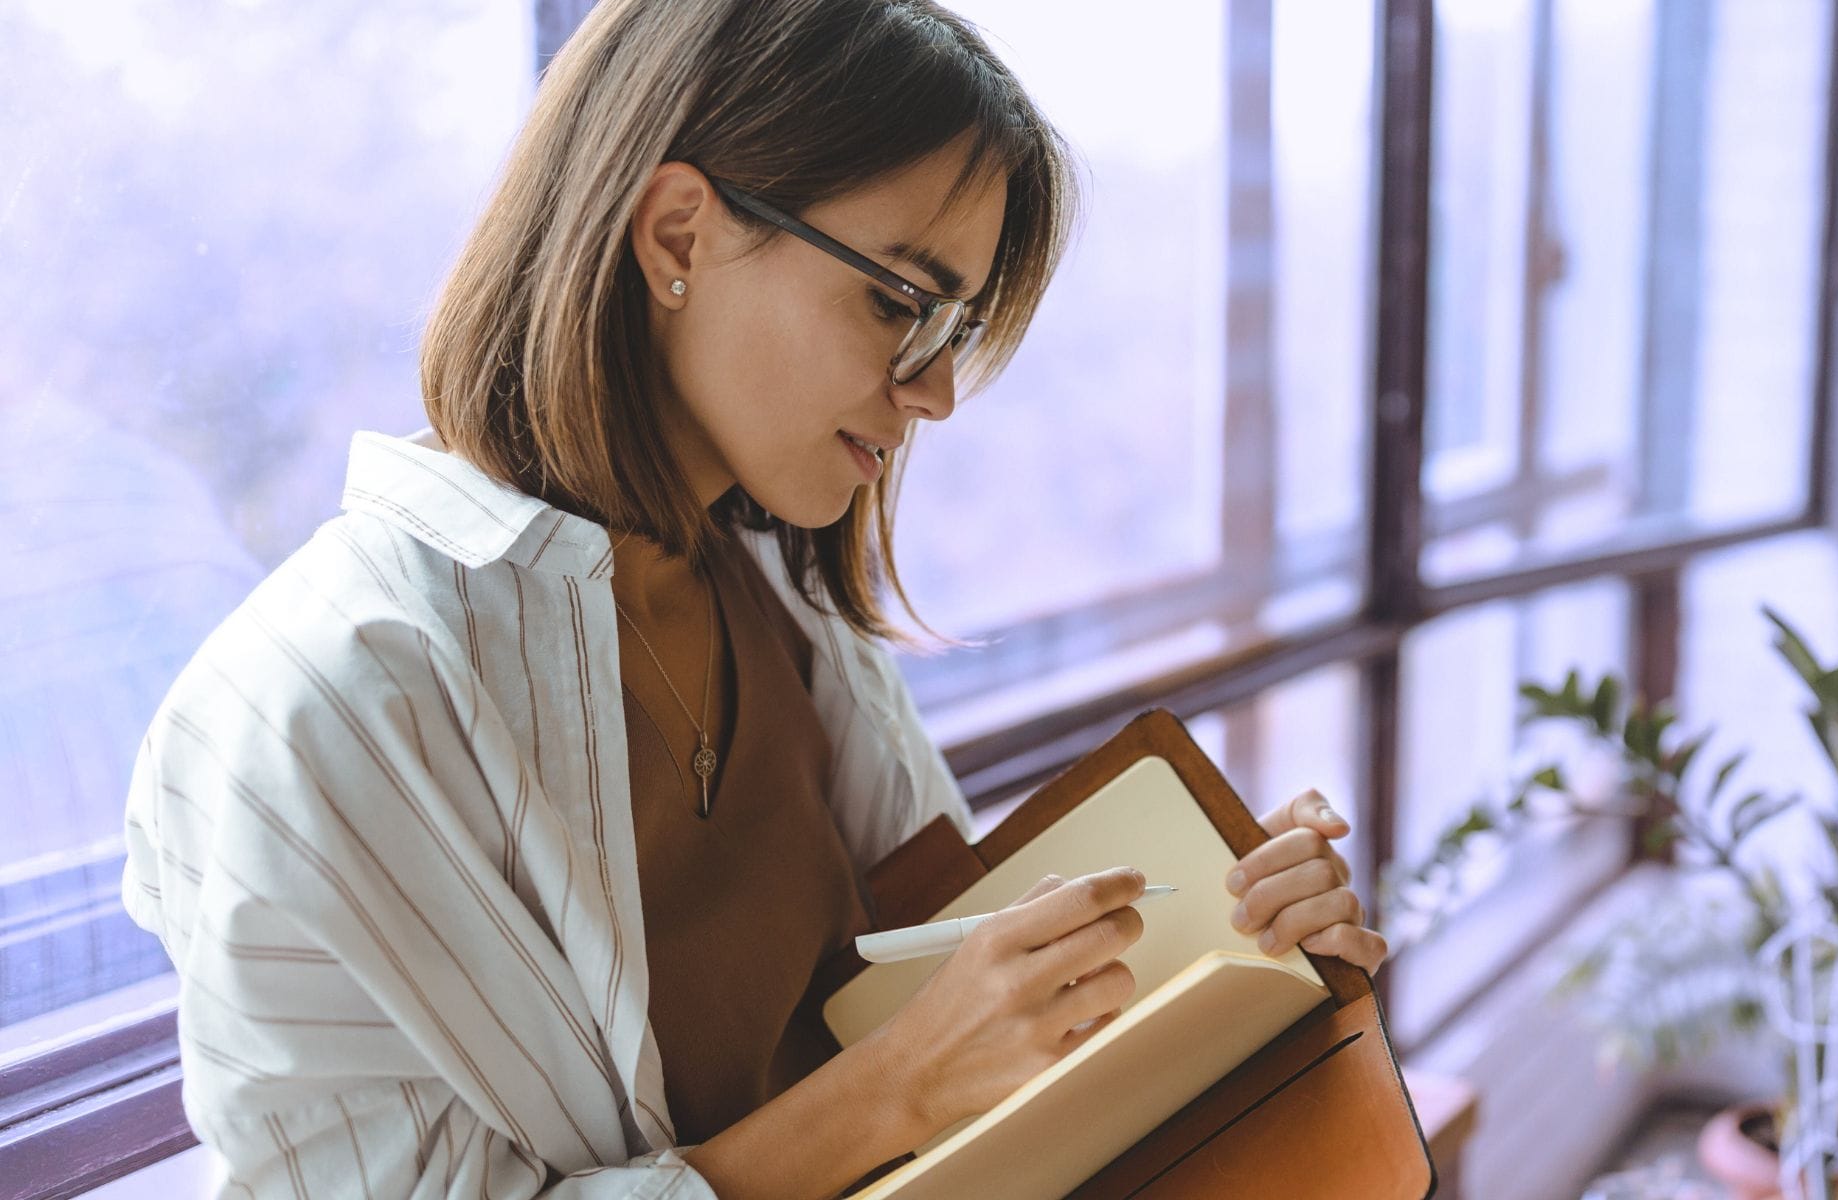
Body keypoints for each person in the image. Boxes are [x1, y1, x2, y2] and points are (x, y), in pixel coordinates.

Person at [116, 2, 1388, 1197]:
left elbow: (961, 1006)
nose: (936, 393)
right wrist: (896, 1094)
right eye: (899, 300)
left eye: (951, 329)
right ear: (679, 234)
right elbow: (918, 1067)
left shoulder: (782, 600)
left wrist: (1231, 951)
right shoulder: (317, 708)